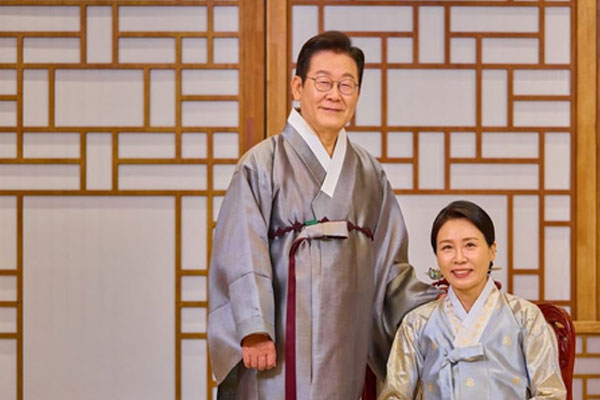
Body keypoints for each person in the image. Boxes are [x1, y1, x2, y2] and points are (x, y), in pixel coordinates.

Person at [207, 31, 439, 399]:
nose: (335, 94)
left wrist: (437, 307)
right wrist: (253, 328)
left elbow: (390, 267)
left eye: (347, 85)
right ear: (298, 87)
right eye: (324, 82)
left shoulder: (369, 173)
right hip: (277, 348)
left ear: (357, 95)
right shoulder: (262, 164)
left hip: (348, 349)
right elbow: (241, 252)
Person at [378, 200, 567, 400]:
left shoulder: (525, 318)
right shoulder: (417, 324)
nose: (459, 258)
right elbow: (394, 396)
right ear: (437, 256)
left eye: (470, 245)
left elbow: (551, 394)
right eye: (447, 247)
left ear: (492, 250)